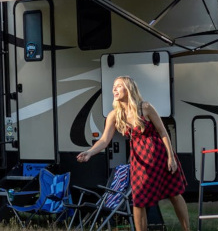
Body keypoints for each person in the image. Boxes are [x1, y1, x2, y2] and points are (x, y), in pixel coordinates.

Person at [77, 76, 190, 231]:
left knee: (174, 194)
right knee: (138, 199)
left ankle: (187, 229)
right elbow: (104, 140)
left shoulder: (145, 107)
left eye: (118, 86)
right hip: (139, 159)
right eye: (113, 86)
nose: (114, 89)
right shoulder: (114, 115)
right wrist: (90, 152)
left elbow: (163, 131)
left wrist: (171, 157)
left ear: (128, 89)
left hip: (159, 155)